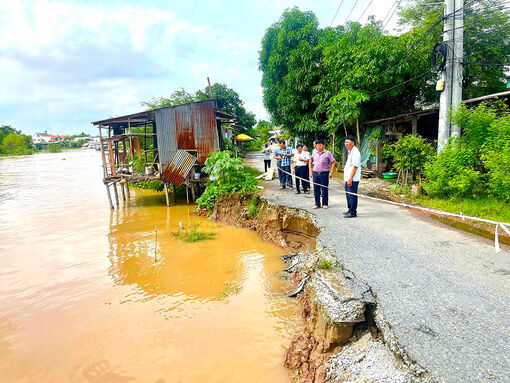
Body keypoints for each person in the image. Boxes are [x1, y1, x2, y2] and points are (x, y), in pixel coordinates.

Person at [309, 139, 336, 209]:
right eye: (317, 145)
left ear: (323, 146)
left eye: (320, 145)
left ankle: (325, 203)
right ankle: (317, 203)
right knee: (316, 189)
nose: (319, 146)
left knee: (324, 189)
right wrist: (310, 171)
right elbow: (310, 162)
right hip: (315, 174)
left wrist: (331, 172)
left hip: (324, 173)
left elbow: (333, 162)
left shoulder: (328, 153)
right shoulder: (314, 153)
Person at [343, 135, 361, 218]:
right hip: (348, 178)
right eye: (345, 142)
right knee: (348, 195)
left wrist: (350, 179)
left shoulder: (356, 152)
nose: (346, 144)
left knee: (352, 195)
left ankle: (353, 212)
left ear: (352, 143)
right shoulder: (350, 152)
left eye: (347, 142)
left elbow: (355, 167)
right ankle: (350, 209)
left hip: (353, 179)